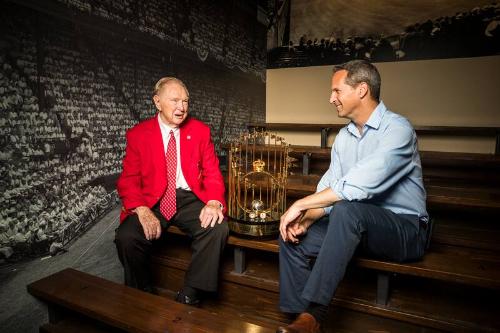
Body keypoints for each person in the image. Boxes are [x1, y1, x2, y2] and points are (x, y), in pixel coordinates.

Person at [277, 60, 428, 333]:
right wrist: (306, 218)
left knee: (347, 209)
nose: (330, 98)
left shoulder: (398, 130)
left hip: (405, 229)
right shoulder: (344, 138)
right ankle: (299, 319)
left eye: (337, 90)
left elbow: (360, 186)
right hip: (354, 228)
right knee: (291, 232)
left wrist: (300, 203)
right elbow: (332, 185)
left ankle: (314, 315)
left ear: (361, 90)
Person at [115, 77, 228, 306]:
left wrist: (214, 201)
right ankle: (142, 292)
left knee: (217, 228)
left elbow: (213, 173)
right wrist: (141, 209)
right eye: (174, 100)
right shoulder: (138, 135)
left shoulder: (200, 131)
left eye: (185, 101)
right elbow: (128, 179)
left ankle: (190, 293)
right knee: (126, 237)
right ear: (157, 102)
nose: (181, 107)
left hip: (189, 198)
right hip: (153, 201)